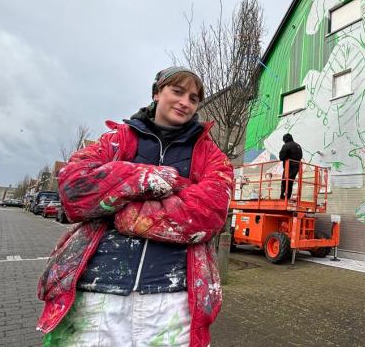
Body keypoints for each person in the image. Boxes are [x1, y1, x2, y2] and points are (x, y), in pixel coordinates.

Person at [37, 67, 233, 346]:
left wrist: (127, 212)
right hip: (97, 293)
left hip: (171, 300)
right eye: (177, 92)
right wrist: (147, 178)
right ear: (156, 93)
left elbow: (209, 212)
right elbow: (74, 188)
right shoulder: (117, 140)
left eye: (193, 98)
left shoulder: (210, 154)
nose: (185, 102)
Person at [279, 133, 302, 200]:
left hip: (289, 166)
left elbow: (281, 157)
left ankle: (283, 197)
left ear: (285, 139)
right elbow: (300, 156)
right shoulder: (298, 145)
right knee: (290, 182)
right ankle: (288, 197)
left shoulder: (286, 145)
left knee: (285, 182)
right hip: (297, 166)